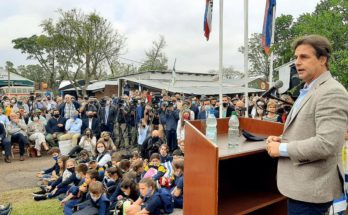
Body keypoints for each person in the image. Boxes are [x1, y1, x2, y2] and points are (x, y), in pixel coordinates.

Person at [266, 35, 348, 214]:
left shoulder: (332, 92)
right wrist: (282, 139)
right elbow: (308, 130)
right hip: (300, 188)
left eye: (304, 57)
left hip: (310, 192)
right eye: (295, 57)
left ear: (322, 59)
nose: (297, 62)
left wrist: (281, 149)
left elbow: (327, 144)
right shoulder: (310, 89)